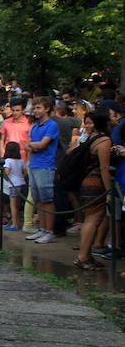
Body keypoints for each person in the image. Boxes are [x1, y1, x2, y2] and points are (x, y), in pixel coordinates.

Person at [74, 111, 112, 269]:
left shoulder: (90, 138)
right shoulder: (103, 141)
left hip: (86, 183)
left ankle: (86, 255)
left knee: (90, 219)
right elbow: (104, 168)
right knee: (93, 220)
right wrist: (109, 191)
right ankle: (83, 257)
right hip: (95, 184)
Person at [25, 96, 60, 244]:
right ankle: (42, 229)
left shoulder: (52, 125)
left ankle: (49, 231)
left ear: (47, 109)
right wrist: (34, 145)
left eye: (38, 108)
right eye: (34, 108)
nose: (35, 111)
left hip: (45, 166)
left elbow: (41, 145)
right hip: (34, 164)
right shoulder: (34, 127)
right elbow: (27, 145)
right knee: (38, 200)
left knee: (47, 199)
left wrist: (34, 145)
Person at [2, 142, 27, 231]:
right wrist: (21, 177)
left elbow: (7, 172)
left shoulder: (8, 161)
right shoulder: (21, 161)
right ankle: (18, 222)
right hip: (21, 183)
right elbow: (25, 172)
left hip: (13, 184)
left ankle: (14, 224)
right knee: (18, 205)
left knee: (13, 205)